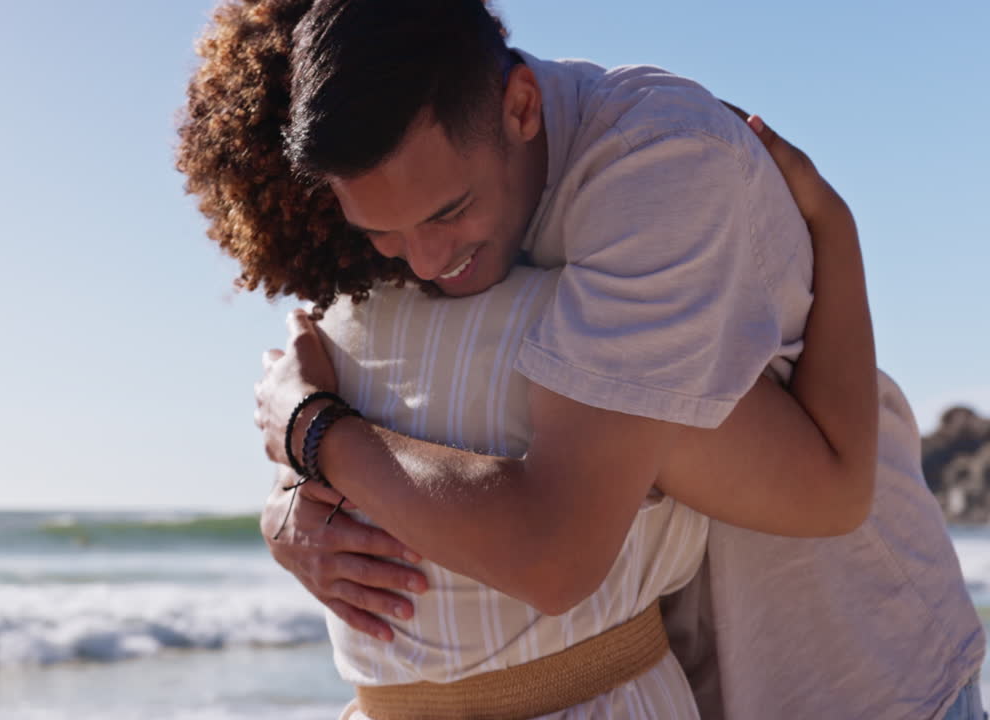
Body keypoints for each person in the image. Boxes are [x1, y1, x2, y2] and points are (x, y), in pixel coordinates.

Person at [175, 1, 984, 717]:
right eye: (381, 233)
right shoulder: (421, 195)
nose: (424, 261)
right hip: (682, 675)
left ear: (521, 106)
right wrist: (295, 504)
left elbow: (554, 554)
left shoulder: (657, 166)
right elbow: (423, 392)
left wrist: (318, 433)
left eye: (449, 211)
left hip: (853, 664)